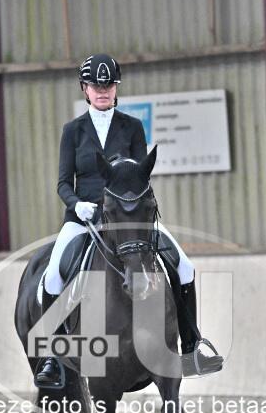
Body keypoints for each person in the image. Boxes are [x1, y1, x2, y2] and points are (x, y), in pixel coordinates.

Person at [36, 53, 222, 388]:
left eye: (108, 85)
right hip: (84, 219)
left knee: (184, 267)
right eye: (96, 86)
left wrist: (135, 206)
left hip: (129, 218)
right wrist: (77, 205)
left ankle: (191, 346)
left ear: (116, 88)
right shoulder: (73, 131)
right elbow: (63, 183)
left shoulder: (132, 127)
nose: (102, 91)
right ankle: (53, 355)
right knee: (52, 276)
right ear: (85, 89)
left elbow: (140, 176)